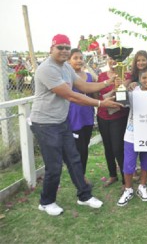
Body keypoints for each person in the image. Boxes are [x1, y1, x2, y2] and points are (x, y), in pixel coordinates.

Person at [29, 34, 122, 216]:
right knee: (54, 165)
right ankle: (46, 202)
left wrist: (107, 82)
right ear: (51, 49)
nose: (64, 50)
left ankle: (84, 196)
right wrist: (100, 104)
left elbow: (84, 87)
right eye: (60, 47)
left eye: (66, 47)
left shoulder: (66, 67)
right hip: (45, 123)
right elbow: (71, 95)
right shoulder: (47, 69)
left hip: (61, 121)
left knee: (74, 159)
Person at [117, 67, 147, 207]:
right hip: (132, 133)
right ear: (139, 79)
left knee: (146, 162)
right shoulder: (134, 92)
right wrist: (121, 88)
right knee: (129, 163)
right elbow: (122, 102)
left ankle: (142, 185)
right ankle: (128, 189)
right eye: (144, 78)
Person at [97, 51, 131, 188]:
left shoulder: (127, 75)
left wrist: (124, 86)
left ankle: (125, 180)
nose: (112, 61)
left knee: (118, 148)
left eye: (115, 59)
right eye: (110, 58)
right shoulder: (101, 76)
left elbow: (127, 96)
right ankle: (112, 175)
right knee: (108, 147)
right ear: (107, 60)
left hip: (119, 116)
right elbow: (96, 95)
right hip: (102, 115)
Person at [67, 49, 95, 181]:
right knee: (78, 150)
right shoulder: (66, 76)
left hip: (87, 117)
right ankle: (80, 178)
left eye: (81, 57)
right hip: (74, 119)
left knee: (85, 147)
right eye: (75, 58)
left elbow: (94, 95)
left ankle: (81, 175)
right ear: (68, 60)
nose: (79, 60)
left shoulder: (89, 76)